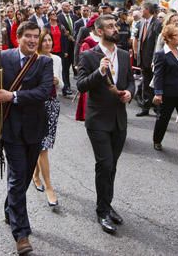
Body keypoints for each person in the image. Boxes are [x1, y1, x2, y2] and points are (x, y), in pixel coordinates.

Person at [0, 21, 52, 255]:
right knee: (17, 178)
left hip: (34, 129)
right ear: (18, 37)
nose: (32, 40)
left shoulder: (44, 62)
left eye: (36, 36)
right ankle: (21, 234)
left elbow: (44, 92)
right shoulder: (3, 57)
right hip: (11, 129)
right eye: (27, 36)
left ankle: (10, 208)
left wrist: (13, 95)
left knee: (26, 177)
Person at [77, 14, 134, 235]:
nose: (115, 29)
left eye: (116, 25)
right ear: (99, 31)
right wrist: (99, 72)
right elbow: (81, 86)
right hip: (98, 119)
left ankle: (107, 204)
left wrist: (130, 91)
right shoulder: (89, 56)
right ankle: (102, 211)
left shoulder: (123, 54)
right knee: (105, 164)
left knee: (112, 166)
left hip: (119, 119)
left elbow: (129, 80)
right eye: (110, 26)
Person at [152, 24, 178, 161]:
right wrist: (158, 93)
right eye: (176, 35)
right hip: (168, 93)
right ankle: (157, 139)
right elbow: (158, 75)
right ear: (168, 38)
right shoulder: (161, 55)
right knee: (163, 119)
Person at [32, 29, 61, 208]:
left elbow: (62, 83)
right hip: (36, 105)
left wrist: (58, 81)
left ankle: (36, 175)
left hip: (52, 104)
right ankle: (49, 187)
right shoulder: (33, 60)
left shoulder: (56, 59)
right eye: (45, 40)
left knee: (43, 144)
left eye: (50, 40)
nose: (48, 43)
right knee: (43, 146)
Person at [136, 2, 161, 117]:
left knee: (155, 84)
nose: (140, 11)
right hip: (143, 60)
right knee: (146, 84)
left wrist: (155, 60)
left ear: (147, 10)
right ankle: (145, 107)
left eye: (142, 9)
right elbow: (140, 40)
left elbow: (158, 43)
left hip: (152, 60)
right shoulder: (141, 23)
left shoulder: (157, 23)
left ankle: (157, 108)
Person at [57, 2, 77, 96]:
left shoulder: (74, 17)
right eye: (65, 6)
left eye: (69, 6)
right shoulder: (58, 17)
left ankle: (70, 86)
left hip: (74, 45)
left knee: (73, 65)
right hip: (64, 45)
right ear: (62, 7)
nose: (67, 7)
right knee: (65, 68)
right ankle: (66, 87)